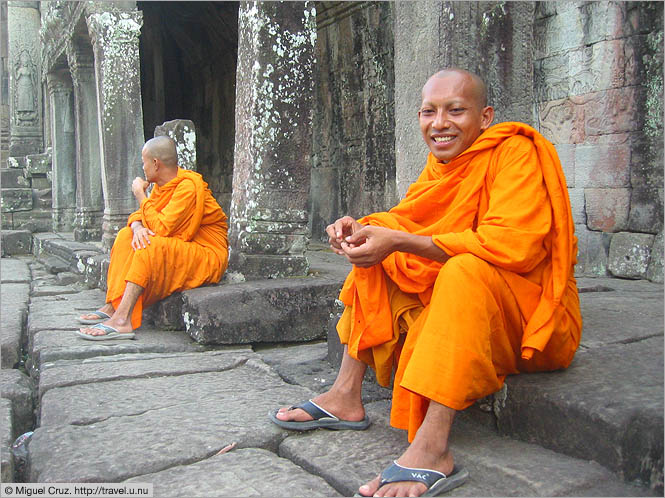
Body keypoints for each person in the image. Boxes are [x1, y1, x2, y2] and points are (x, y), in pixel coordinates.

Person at [270, 68, 582, 497]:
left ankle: (433, 446)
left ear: (485, 116)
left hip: (526, 317)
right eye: (428, 112)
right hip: (469, 300)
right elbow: (410, 218)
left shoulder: (515, 153)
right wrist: (363, 228)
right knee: (379, 253)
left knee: (461, 269)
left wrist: (398, 238)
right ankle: (344, 394)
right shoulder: (442, 165)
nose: (440, 124)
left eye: (456, 111)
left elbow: (513, 246)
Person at [76, 136, 229, 341]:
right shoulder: (160, 186)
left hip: (207, 254)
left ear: (156, 164)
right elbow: (141, 216)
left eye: (144, 162)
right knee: (125, 236)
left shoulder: (187, 187)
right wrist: (138, 227)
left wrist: (140, 195)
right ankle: (114, 304)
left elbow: (162, 228)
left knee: (150, 244)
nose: (143, 167)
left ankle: (122, 319)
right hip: (183, 246)